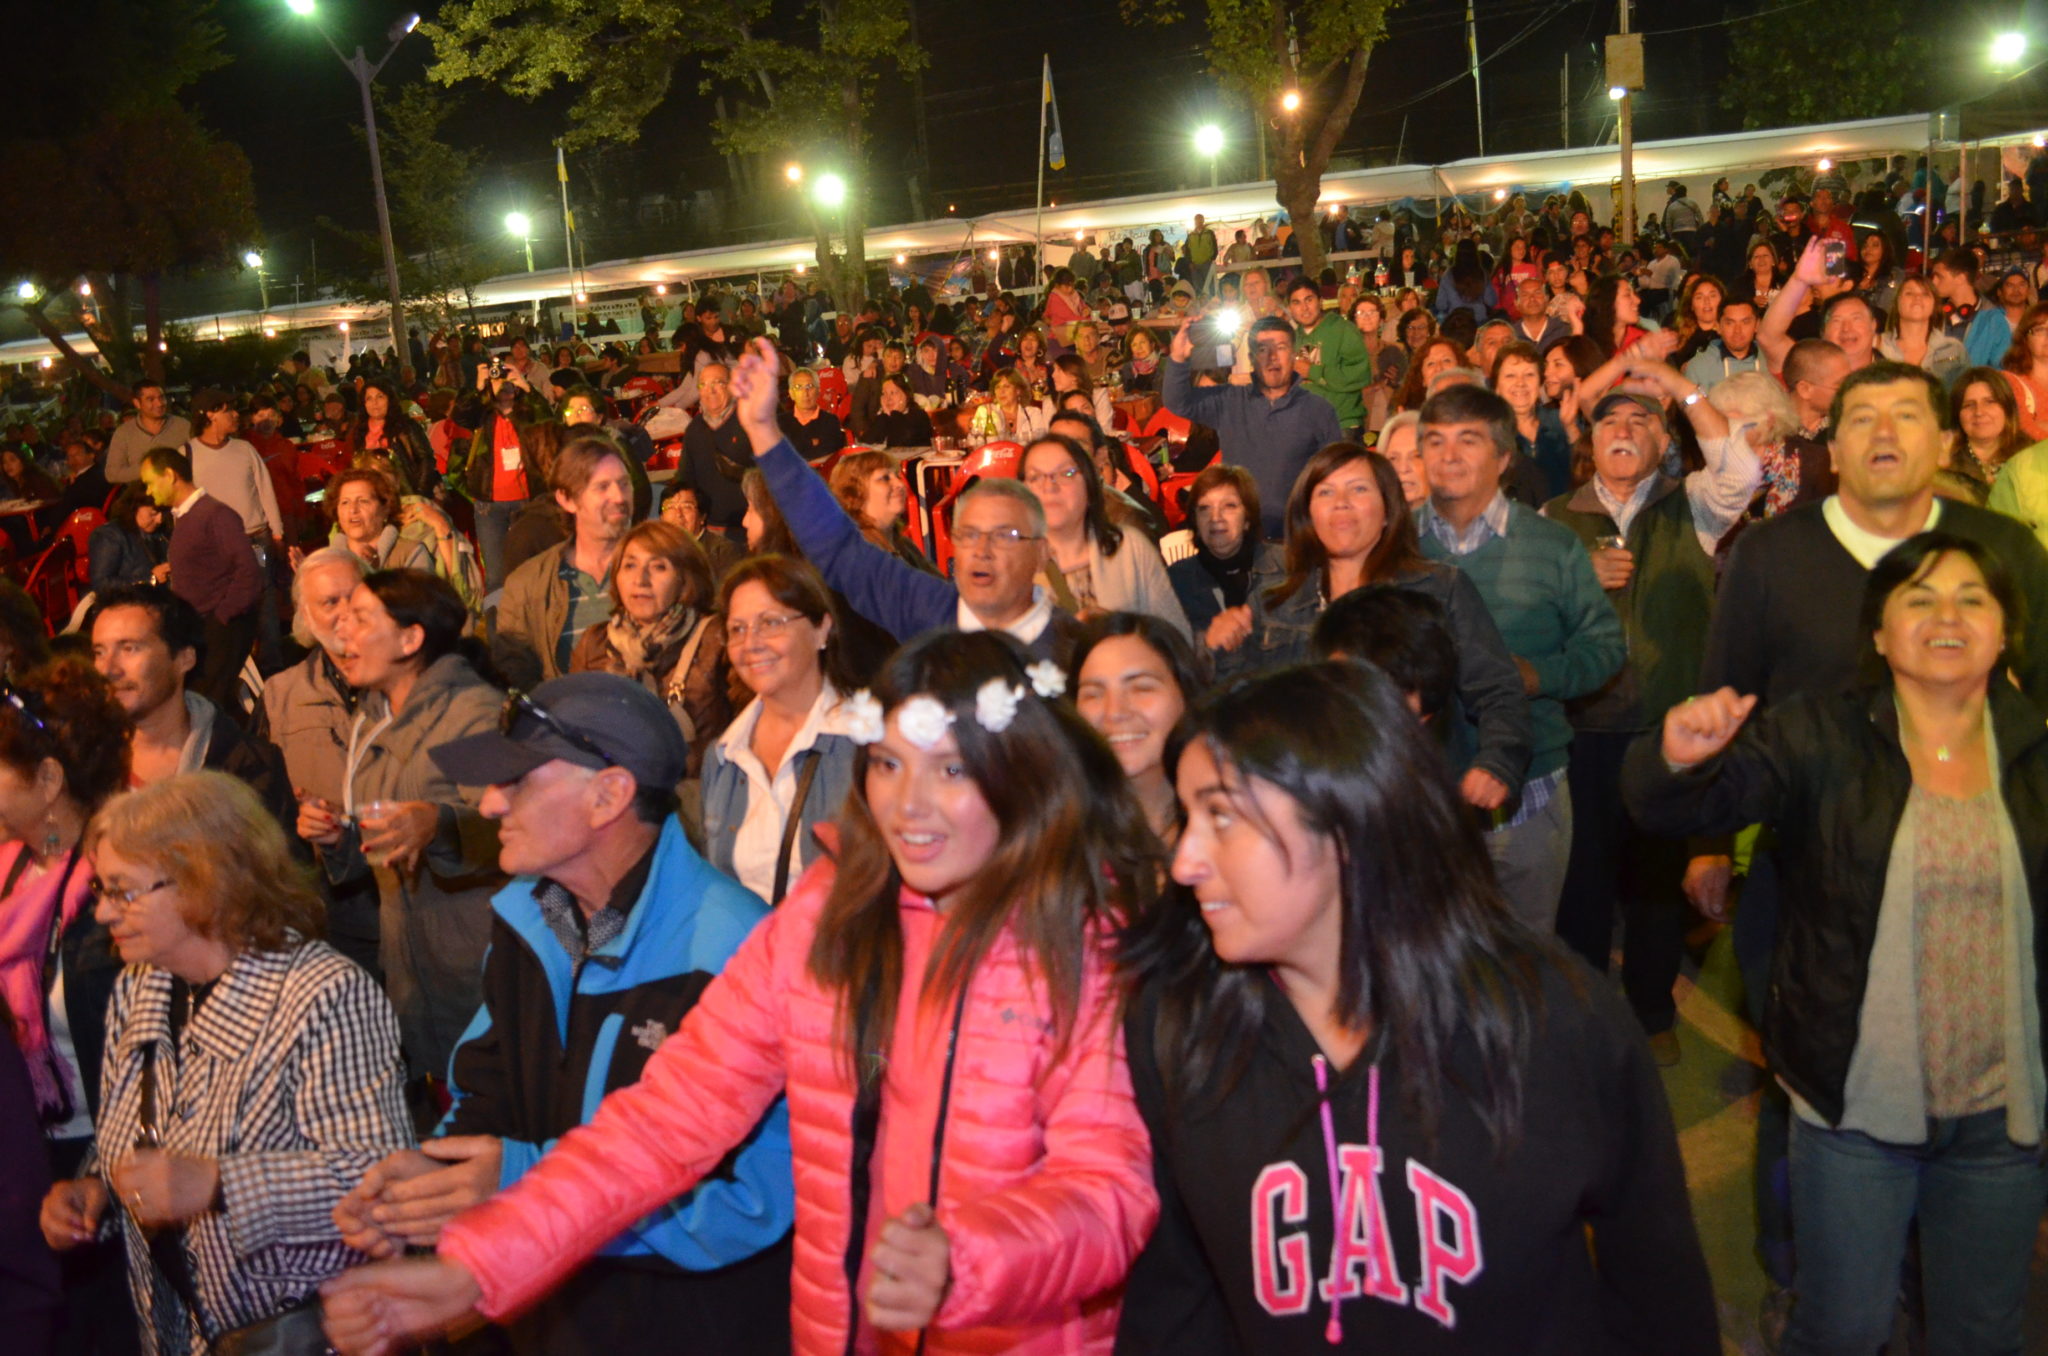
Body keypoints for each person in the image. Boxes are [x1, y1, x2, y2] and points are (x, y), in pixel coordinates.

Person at [318, 631, 1161, 1356]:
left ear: (1022, 775)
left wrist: (966, 1260)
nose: (910, 805)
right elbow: (664, 1120)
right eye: (888, 765)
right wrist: (480, 1264)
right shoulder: (825, 922)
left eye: (950, 770)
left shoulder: (1083, 940)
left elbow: (1109, 1190)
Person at [1113, 661, 1718, 1354]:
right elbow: (1173, 1298)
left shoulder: (1554, 1023)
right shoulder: (1178, 1024)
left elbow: (1658, 1292)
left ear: (1348, 824)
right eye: (1185, 818)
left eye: (1220, 816)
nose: (1185, 859)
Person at [1628, 534, 2048, 1356]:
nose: (1947, 616)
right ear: (1881, 635)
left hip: (2005, 1118)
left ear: (2005, 631)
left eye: (1972, 598)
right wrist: (1675, 760)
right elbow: (1676, 809)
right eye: (1919, 600)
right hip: (1856, 1107)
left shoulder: (2036, 755)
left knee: (1984, 1333)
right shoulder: (1819, 737)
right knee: (1842, 1329)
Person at [333, 673, 797, 1354]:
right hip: (550, 1320)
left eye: (516, 780)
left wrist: (521, 1178)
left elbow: (753, 1202)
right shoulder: (527, 919)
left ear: (609, 794)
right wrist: (435, 1177)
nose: (489, 804)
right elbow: (487, 1090)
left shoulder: (733, 950)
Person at [39, 772, 413, 1355]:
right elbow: (144, 1137)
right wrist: (97, 1189)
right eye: (101, 893)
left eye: (123, 891)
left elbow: (379, 1179)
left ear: (203, 882)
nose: (106, 915)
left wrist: (221, 1184)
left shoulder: (322, 993)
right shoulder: (141, 988)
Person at [1545, 371, 1759, 1063]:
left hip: (1665, 730)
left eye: (1641, 423)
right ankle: (1582, 1013)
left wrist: (1675, 382)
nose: (1625, 432)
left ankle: (1651, 1010)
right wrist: (1580, 571)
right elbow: (1529, 613)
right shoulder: (1554, 518)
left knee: (1655, 879)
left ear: (1665, 442)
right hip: (1583, 727)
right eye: (1611, 423)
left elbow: (1742, 467)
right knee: (1582, 880)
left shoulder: (1691, 504)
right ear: (1591, 442)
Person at [1417, 385, 1626, 931]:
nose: (1449, 456)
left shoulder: (1552, 545)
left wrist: (1540, 675)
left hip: (1530, 786)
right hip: (1424, 791)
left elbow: (1604, 647)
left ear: (1504, 458)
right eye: (1434, 441)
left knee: (1525, 968)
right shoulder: (1399, 545)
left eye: (1468, 440)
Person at [735, 341, 1086, 665]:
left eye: (1005, 534)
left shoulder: (1079, 650)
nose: (981, 550)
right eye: (967, 535)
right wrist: (763, 430)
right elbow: (838, 548)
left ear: (1042, 551)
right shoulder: (935, 612)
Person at [297, 570, 503, 1080]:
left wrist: (440, 825)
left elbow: (511, 826)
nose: (343, 633)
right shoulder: (374, 716)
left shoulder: (471, 713)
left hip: (478, 965)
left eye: (362, 619)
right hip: (410, 966)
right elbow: (384, 839)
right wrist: (339, 836)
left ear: (411, 639)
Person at [0, 664, 134, 1355]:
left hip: (104, 1167)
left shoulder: (117, 897)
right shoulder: (24, 866)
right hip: (30, 1157)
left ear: (49, 780)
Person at [700, 556, 861, 903]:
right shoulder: (724, 757)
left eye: (770, 623)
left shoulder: (870, 744)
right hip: (753, 953)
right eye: (737, 629)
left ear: (821, 629)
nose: (751, 643)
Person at [260, 547, 380, 976]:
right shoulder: (279, 697)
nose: (346, 613)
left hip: (417, 911)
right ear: (305, 617)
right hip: (333, 923)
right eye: (330, 602)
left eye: (355, 596)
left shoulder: (416, 682)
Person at [567, 520, 730, 777]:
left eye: (658, 567)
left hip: (697, 804)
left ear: (685, 578)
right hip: (620, 800)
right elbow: (573, 733)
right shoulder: (594, 642)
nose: (640, 580)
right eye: (629, 565)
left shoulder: (718, 638)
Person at [1163, 316, 1344, 541]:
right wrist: (1178, 358)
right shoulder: (1229, 400)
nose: (1272, 357)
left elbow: (1336, 477)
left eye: (1280, 347)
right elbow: (1178, 402)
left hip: (1297, 540)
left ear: (1294, 354)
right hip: (1240, 538)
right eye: (1262, 349)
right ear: (1251, 358)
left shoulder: (1319, 410)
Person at [493, 436, 635, 690]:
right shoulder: (528, 585)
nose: (618, 496)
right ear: (566, 499)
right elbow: (514, 679)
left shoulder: (667, 564)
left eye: (624, 484)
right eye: (602, 487)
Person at [1019, 434, 1189, 640]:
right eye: (1035, 477)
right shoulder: (1013, 566)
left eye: (1066, 473)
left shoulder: (1129, 549)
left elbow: (1175, 637)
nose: (1049, 486)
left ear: (1089, 484)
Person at [135, 446, 264, 714]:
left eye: (149, 483)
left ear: (169, 475)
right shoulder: (186, 518)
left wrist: (223, 616)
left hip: (220, 629)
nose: (148, 492)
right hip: (204, 627)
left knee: (209, 704)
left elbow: (248, 571)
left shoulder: (215, 514)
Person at [1069, 612, 1204, 843]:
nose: (1115, 712)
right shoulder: (1059, 841)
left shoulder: (1241, 818)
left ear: (1186, 694)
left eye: (1141, 688)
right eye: (1093, 694)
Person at [450, 360, 550, 589]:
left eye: (508, 380)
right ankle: (499, 624)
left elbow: (548, 419)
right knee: (496, 579)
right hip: (489, 506)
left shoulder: (527, 414)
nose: (504, 386)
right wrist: (480, 389)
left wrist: (526, 387)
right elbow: (460, 416)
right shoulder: (482, 415)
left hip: (527, 502)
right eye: (499, 379)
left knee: (531, 573)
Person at [1166, 464, 1281, 641]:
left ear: (1247, 520)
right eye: (1204, 508)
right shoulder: (1176, 582)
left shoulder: (1288, 568)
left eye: (1229, 506)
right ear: (1195, 520)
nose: (1216, 517)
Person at [1285, 276, 1371, 439]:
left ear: (1321, 301)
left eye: (1308, 300)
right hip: (1306, 428)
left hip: (1342, 425)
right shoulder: (1294, 338)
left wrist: (1313, 371)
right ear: (1290, 309)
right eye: (1296, 303)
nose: (1304, 308)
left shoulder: (1343, 330)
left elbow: (1360, 376)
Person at [827, 450, 930, 572]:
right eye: (885, 478)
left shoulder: (901, 544)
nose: (900, 484)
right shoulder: (860, 556)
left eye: (897, 476)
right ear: (855, 493)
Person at [326, 468, 435, 573]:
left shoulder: (411, 553)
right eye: (345, 502)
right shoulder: (324, 562)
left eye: (363, 501)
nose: (353, 510)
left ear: (386, 507)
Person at [1947, 367, 2028, 503]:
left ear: (2007, 408)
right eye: (1968, 405)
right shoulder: (1943, 464)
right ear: (1957, 414)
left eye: (1990, 402)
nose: (1979, 412)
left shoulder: (2031, 457)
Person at [350, 378, 434, 495]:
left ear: (389, 399)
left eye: (380, 397)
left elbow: (426, 459)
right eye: (369, 398)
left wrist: (419, 492)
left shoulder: (405, 426)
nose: (375, 403)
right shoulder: (359, 432)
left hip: (406, 492)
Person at [87, 485, 169, 597]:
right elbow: (102, 585)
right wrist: (149, 579)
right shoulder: (109, 536)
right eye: (153, 514)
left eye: (163, 514)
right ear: (134, 507)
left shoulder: (163, 533)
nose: (159, 520)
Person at [104, 381, 192, 485]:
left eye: (161, 398)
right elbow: (112, 474)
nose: (159, 403)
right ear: (137, 403)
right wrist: (152, 469)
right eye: (151, 399)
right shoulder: (124, 433)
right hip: (141, 497)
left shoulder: (183, 426)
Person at [660, 483, 744, 581]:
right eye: (670, 507)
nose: (678, 514)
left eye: (687, 507)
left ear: (702, 516)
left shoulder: (724, 551)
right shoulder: (652, 549)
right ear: (661, 517)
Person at [1680, 295, 1767, 389]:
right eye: (1730, 323)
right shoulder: (1698, 367)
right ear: (1718, 326)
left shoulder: (1770, 361)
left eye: (1745, 322)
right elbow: (1688, 402)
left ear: (1757, 325)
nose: (1737, 330)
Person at [777, 366, 844, 465]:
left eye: (809, 386)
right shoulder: (780, 422)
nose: (805, 393)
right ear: (791, 393)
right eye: (798, 387)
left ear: (818, 391)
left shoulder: (830, 421)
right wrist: (811, 442)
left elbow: (831, 455)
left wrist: (796, 445)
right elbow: (780, 456)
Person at [968, 368, 1048, 443]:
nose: (1001, 391)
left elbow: (1041, 440)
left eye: (1006, 386)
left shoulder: (1033, 413)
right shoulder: (985, 411)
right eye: (997, 387)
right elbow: (973, 442)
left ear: (1018, 391)